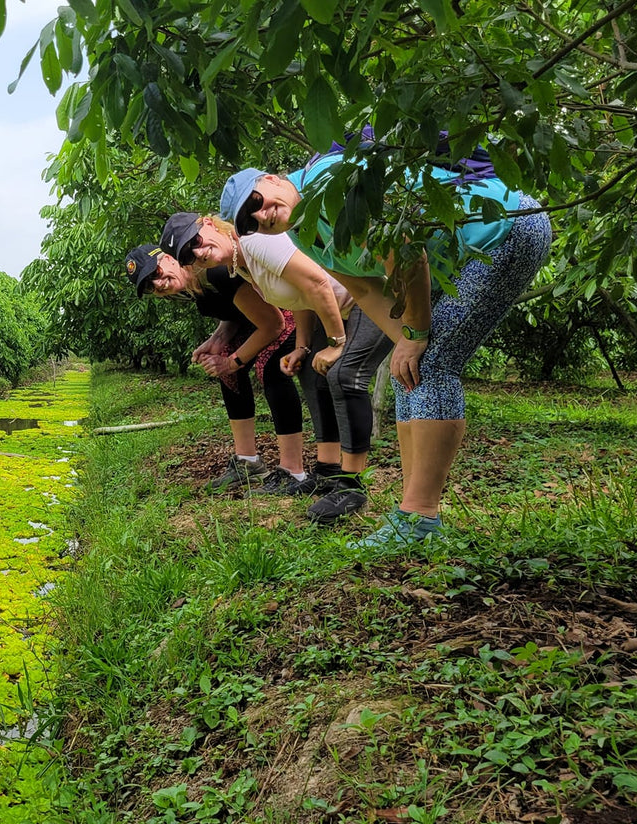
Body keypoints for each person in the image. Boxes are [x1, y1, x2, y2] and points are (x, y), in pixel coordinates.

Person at [221, 138, 552, 547]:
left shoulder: (329, 182)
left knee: (431, 367)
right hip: (469, 253)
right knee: (409, 372)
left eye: (256, 201)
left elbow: (407, 252)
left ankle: (419, 519)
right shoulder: (304, 231)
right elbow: (363, 289)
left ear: (272, 180)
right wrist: (405, 343)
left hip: (508, 226)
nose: (260, 216)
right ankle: (411, 513)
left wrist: (414, 337)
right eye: (249, 222)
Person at [158, 215, 393, 522]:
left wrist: (337, 341)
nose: (199, 253)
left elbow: (317, 282)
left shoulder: (255, 242)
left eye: (196, 242)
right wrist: (303, 345)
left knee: (344, 376)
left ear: (209, 223)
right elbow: (298, 295)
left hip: (366, 294)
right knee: (317, 375)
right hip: (340, 304)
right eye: (190, 254)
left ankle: (352, 487)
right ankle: (328, 471)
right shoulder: (239, 264)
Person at [126, 244, 309, 493]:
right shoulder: (192, 287)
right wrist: (217, 341)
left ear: (168, 258)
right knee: (225, 369)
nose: (158, 285)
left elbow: (272, 323)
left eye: (155, 274)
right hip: (262, 319)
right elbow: (235, 313)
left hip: (288, 310)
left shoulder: (213, 272)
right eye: (149, 286)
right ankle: (248, 462)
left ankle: (293, 472)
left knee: (269, 367)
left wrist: (232, 361)